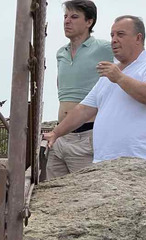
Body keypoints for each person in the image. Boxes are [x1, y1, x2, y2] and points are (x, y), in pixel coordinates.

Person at [44, 15, 146, 162]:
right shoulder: (110, 74)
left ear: (138, 38)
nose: (114, 40)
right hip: (105, 163)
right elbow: (84, 110)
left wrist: (120, 78)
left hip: (143, 160)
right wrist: (56, 133)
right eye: (112, 35)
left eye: (120, 34)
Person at [45, 0, 113, 180]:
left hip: (87, 134)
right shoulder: (61, 52)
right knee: (51, 195)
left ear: (89, 22)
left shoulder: (104, 48)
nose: (67, 21)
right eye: (65, 16)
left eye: (74, 17)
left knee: (83, 196)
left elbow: (133, 61)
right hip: (60, 135)